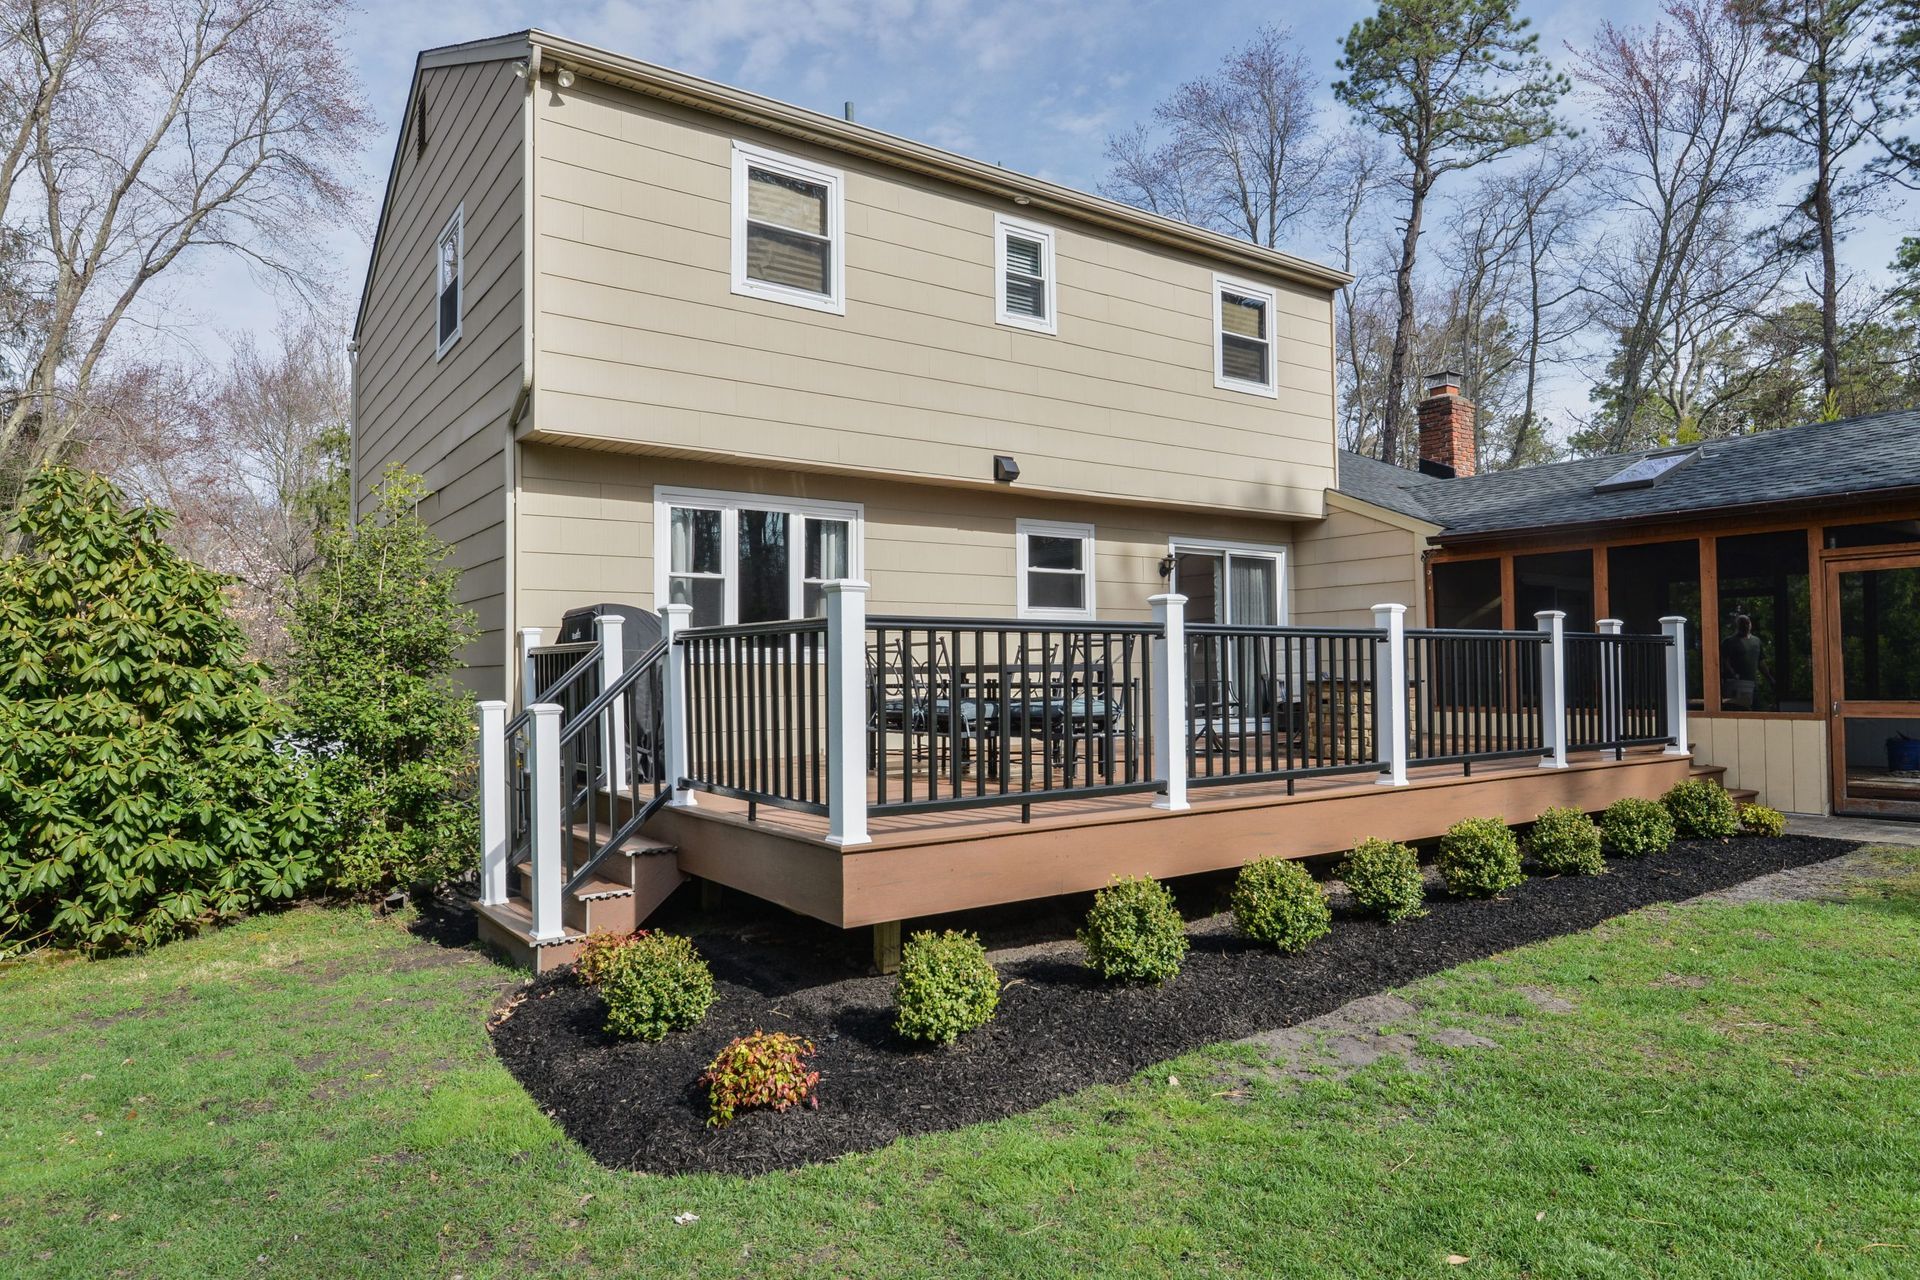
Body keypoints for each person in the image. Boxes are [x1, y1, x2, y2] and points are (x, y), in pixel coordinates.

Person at [1720, 613, 1770, 710]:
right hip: (1735, 685)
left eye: (1747, 623)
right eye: (1742, 623)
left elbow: (1761, 663)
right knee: (1738, 709)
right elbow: (1724, 661)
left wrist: (1770, 678)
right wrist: (1733, 673)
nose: (1746, 626)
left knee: (1758, 709)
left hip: (1752, 684)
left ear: (1751, 624)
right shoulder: (1729, 642)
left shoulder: (1756, 641)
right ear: (1738, 625)